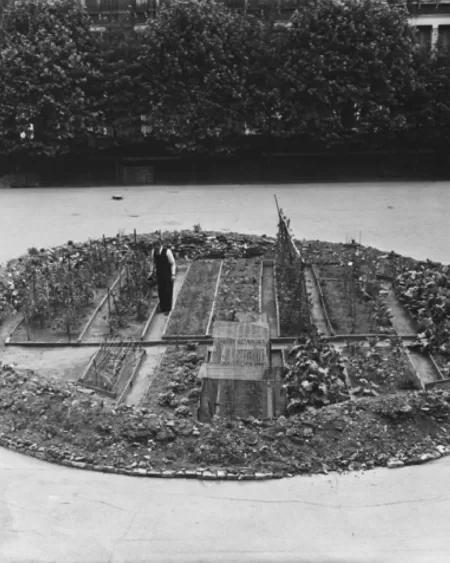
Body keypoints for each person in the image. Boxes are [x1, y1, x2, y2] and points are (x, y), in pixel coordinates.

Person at [149, 238, 176, 315]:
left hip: (168, 274)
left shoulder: (167, 251)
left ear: (160, 245)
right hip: (159, 274)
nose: (156, 249)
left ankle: (168, 309)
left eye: (157, 247)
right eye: (154, 247)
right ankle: (162, 307)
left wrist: (173, 274)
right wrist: (151, 272)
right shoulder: (153, 252)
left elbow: (173, 263)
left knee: (168, 292)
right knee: (161, 292)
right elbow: (152, 262)